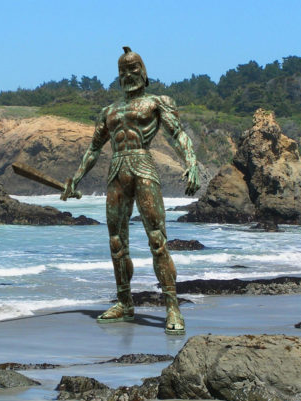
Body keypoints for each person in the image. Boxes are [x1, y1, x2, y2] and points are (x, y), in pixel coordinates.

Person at [61, 47, 200, 335]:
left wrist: (191, 163)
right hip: (117, 171)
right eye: (122, 70)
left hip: (143, 166)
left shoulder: (156, 103)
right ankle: (125, 302)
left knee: (157, 239)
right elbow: (94, 149)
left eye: (133, 68)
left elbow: (178, 135)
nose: (128, 74)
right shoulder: (109, 111)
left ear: (144, 71)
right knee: (116, 242)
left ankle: (172, 306)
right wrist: (75, 179)